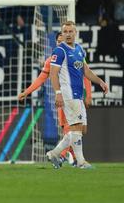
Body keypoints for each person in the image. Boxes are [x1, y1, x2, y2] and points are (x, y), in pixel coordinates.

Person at [17, 32, 93, 165]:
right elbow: (41, 79)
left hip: (76, 97)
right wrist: (26, 92)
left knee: (80, 130)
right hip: (63, 98)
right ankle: (69, 157)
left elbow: (86, 76)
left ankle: (60, 154)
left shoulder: (75, 55)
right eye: (58, 41)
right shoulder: (51, 61)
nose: (59, 43)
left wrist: (89, 96)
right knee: (69, 128)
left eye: (62, 41)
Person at [46, 21, 109, 169]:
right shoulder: (60, 51)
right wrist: (58, 93)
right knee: (76, 127)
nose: (68, 34)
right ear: (62, 34)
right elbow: (53, 74)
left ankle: (55, 153)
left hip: (78, 94)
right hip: (68, 94)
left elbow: (86, 71)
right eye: (65, 31)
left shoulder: (79, 49)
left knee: (81, 129)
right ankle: (81, 162)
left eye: (70, 31)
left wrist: (100, 81)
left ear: (76, 33)